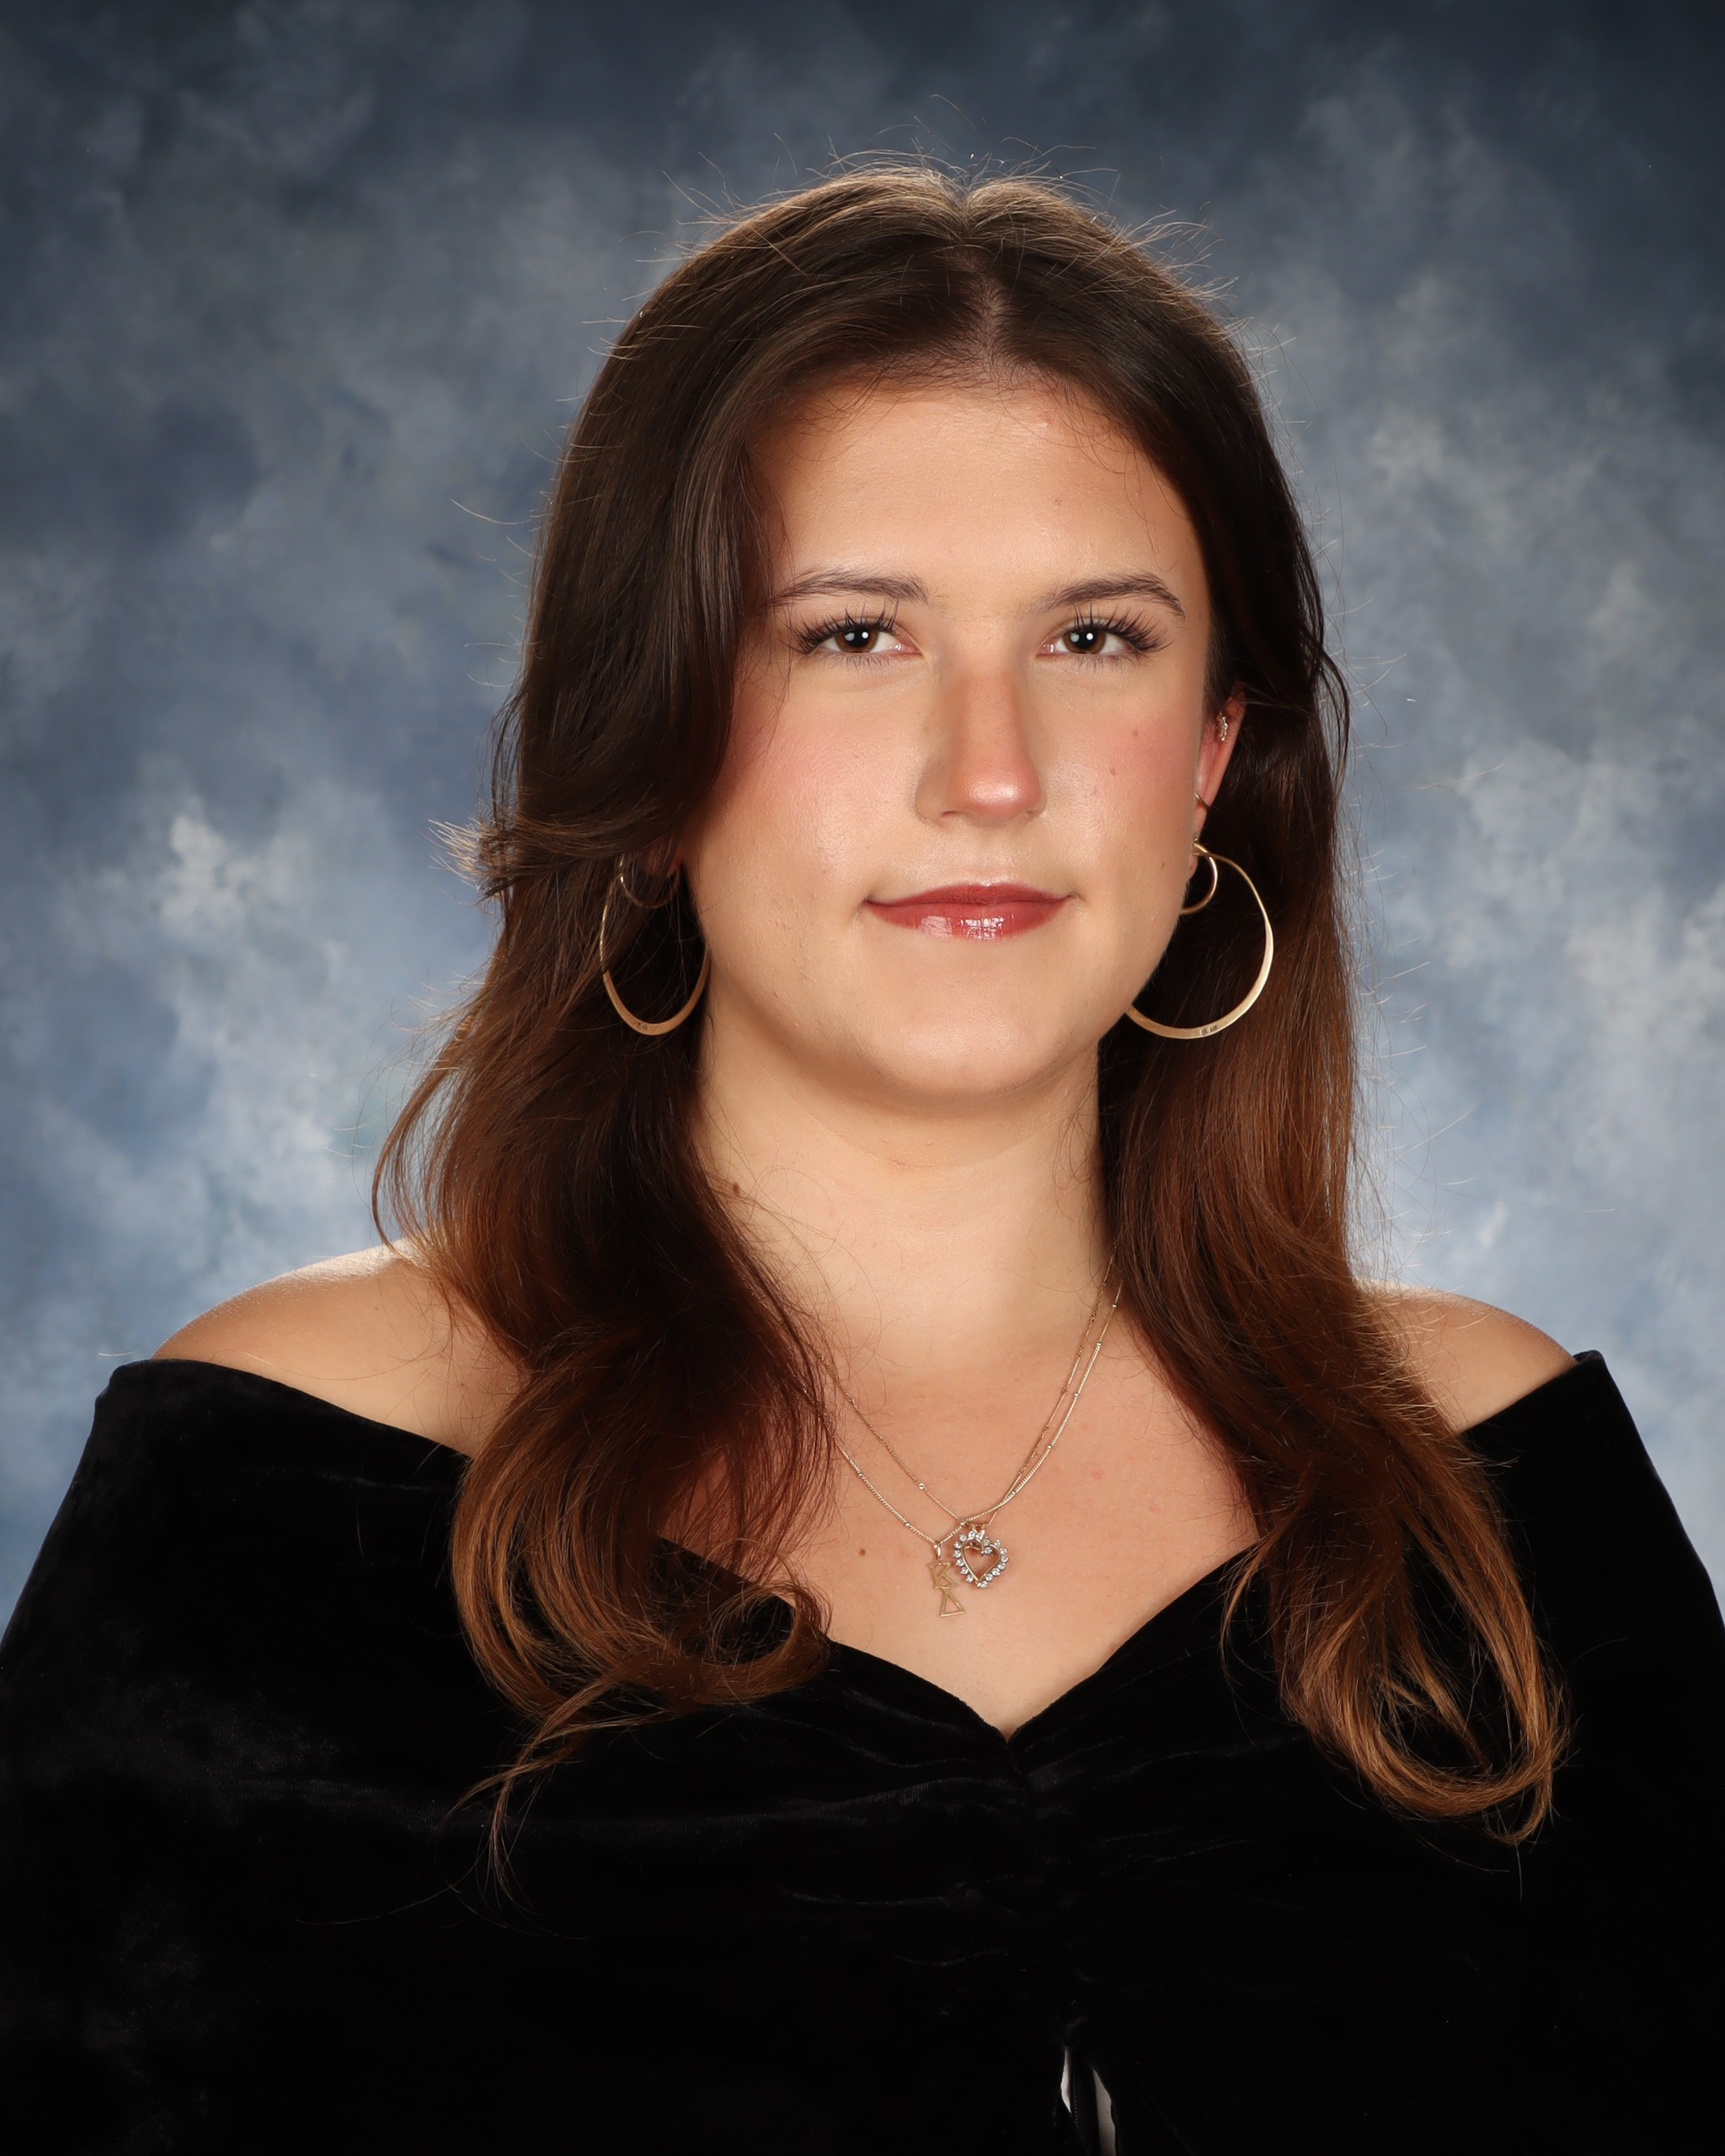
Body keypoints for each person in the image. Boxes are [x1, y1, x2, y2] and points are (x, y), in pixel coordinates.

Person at [1, 167, 1719, 2155]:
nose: (990, 772)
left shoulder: (1494, 1487)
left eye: (1096, 636)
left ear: (1214, 755)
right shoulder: (282, 1487)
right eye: (852, 636)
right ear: (649, 748)